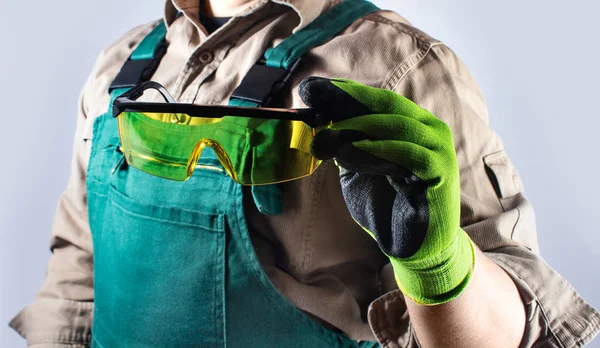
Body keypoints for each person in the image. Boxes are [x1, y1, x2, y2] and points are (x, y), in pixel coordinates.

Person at [9, 0, 600, 347]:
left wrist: (437, 261)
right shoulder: (120, 69)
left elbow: (515, 335)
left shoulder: (396, 67)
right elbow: (77, 278)